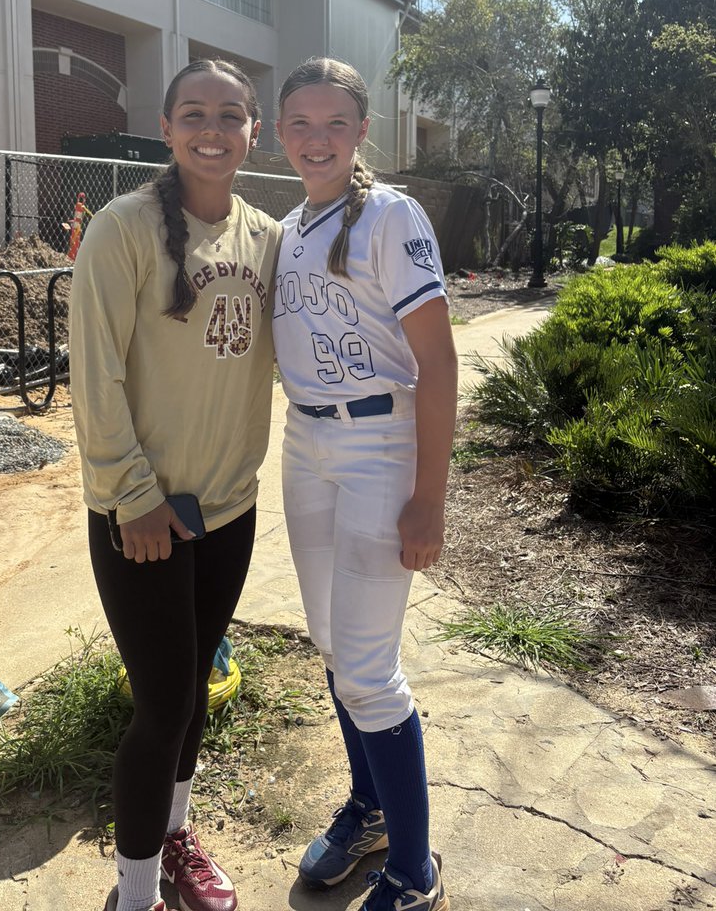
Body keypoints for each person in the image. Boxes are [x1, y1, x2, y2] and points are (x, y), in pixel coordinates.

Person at [69, 58, 281, 911]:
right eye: (194, 113)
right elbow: (95, 375)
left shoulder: (267, 237)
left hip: (229, 510)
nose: (213, 130)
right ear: (166, 127)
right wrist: (133, 496)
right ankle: (134, 894)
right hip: (143, 517)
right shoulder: (122, 229)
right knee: (159, 709)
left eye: (231, 116)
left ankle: (175, 834)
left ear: (252, 133)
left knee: (193, 692)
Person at [272, 58, 457, 911]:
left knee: (370, 673)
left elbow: (438, 361)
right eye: (301, 123)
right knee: (334, 647)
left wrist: (430, 496)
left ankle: (413, 873)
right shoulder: (289, 227)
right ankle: (372, 808)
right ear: (280, 133)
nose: (317, 139)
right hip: (305, 442)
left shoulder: (389, 214)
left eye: (334, 123)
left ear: (361, 133)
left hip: (379, 444)